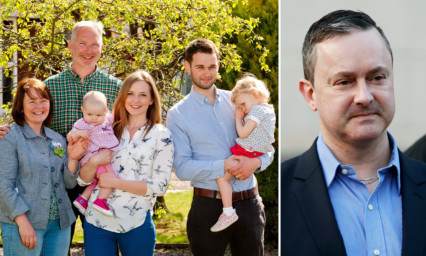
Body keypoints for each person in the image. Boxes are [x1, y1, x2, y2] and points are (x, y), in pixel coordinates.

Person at [281, 10, 426, 256]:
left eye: (377, 77)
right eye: (344, 82)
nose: (364, 97)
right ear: (310, 94)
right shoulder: (280, 195)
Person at [166, 39, 274, 256]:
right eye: (200, 67)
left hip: (249, 204)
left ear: (218, 65)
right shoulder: (178, 114)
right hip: (208, 207)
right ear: (187, 67)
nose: (207, 73)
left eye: (212, 66)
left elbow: (266, 145)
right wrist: (223, 165)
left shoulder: (238, 101)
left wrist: (256, 162)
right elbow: (183, 168)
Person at [77, 70, 173, 256]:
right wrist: (94, 161)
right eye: (130, 93)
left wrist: (116, 183)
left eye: (143, 95)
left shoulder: (161, 135)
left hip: (136, 223)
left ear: (152, 99)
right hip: (98, 224)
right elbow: (83, 180)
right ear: (123, 96)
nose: (135, 100)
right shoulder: (105, 128)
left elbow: (160, 186)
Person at [0, 78, 85, 256]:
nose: (39, 106)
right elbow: (3, 186)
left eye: (43, 100)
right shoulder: (10, 137)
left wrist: (73, 159)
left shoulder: (58, 140)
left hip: (59, 226)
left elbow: (68, 184)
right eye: (31, 101)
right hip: (24, 224)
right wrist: (22, 223)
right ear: (21, 107)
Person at [211, 75, 275, 232]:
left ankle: (228, 212)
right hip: (255, 152)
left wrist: (238, 119)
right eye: (239, 106)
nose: (242, 109)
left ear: (254, 94)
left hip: (247, 150)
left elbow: (243, 133)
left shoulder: (257, 111)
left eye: (243, 104)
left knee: (221, 178)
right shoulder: (268, 109)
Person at [67, 91, 119, 217]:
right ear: (82, 110)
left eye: (98, 115)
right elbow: (69, 136)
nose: (94, 118)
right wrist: (78, 134)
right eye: (89, 114)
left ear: (106, 111)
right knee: (110, 178)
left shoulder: (107, 120)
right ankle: (101, 201)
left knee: (98, 181)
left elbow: (119, 114)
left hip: (102, 157)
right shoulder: (81, 124)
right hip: (91, 158)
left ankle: (82, 199)